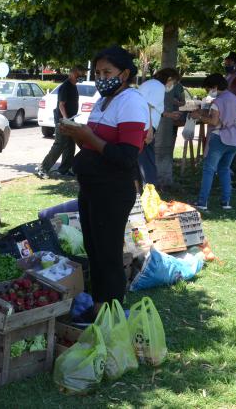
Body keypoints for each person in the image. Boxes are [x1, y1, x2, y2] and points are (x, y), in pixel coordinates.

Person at [60, 46, 149, 314]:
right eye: (97, 72)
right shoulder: (102, 101)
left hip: (112, 189)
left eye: (107, 72)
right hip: (91, 187)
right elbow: (94, 144)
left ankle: (110, 313)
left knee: (108, 254)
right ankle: (100, 306)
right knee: (94, 250)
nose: (101, 77)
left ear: (124, 74)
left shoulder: (131, 101)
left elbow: (126, 156)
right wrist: (77, 135)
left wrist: (89, 138)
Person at [190, 74, 236, 211]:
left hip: (219, 138)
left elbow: (214, 121)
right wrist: (204, 112)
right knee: (224, 170)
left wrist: (198, 116)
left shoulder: (217, 102)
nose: (208, 93)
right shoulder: (233, 98)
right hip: (234, 138)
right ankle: (226, 202)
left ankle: (202, 202)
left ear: (215, 87)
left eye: (208, 89)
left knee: (209, 170)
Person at [37, 65, 88, 179]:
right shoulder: (66, 86)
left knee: (70, 145)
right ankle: (43, 168)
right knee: (60, 144)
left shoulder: (73, 86)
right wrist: (65, 119)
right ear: (73, 73)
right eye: (81, 73)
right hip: (63, 121)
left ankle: (64, 170)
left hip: (70, 119)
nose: (83, 75)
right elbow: (61, 105)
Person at [137, 68, 182, 187]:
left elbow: (154, 108)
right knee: (147, 162)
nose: (173, 85)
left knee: (143, 160)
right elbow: (147, 107)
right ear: (169, 79)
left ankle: (144, 189)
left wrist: (168, 115)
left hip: (142, 126)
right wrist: (150, 130)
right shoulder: (158, 87)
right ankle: (149, 191)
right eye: (174, 82)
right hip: (146, 128)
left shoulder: (151, 84)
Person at [155, 78, 187, 189]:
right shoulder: (159, 86)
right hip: (159, 119)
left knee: (171, 140)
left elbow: (183, 102)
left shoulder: (179, 87)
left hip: (173, 119)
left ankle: (168, 163)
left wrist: (176, 102)